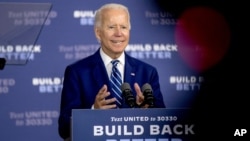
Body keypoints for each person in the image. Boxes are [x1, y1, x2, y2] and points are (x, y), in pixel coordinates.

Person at [58, 3, 166, 140]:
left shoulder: (147, 72)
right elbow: (64, 128)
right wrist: (93, 112)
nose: (119, 33)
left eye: (124, 27)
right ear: (98, 33)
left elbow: (164, 124)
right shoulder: (77, 72)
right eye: (111, 27)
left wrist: (146, 111)